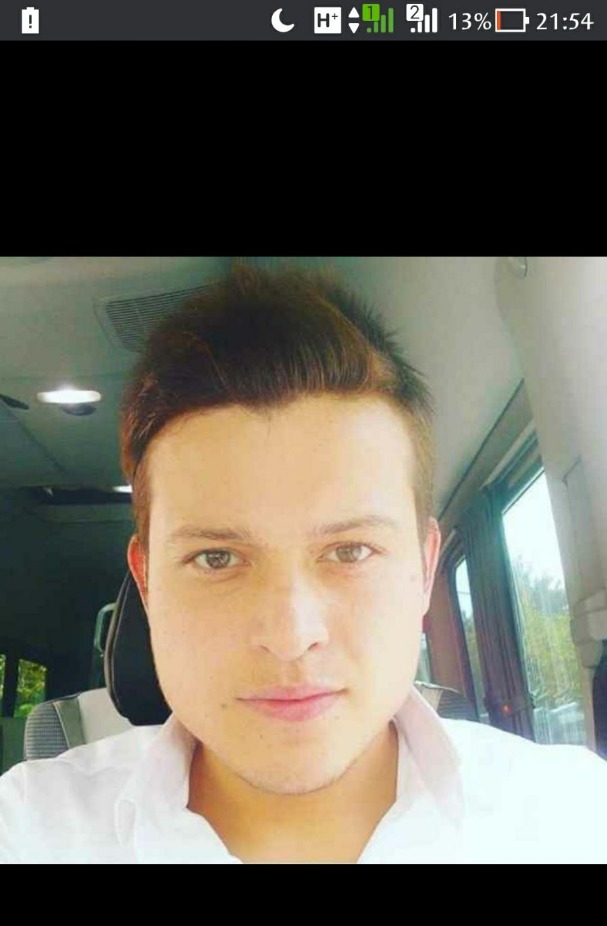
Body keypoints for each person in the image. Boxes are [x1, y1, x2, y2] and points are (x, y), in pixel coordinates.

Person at [1, 261, 607, 863]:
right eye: (216, 557)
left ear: (424, 571)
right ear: (148, 584)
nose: (291, 637)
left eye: (350, 551)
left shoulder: (574, 820)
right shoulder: (29, 830)